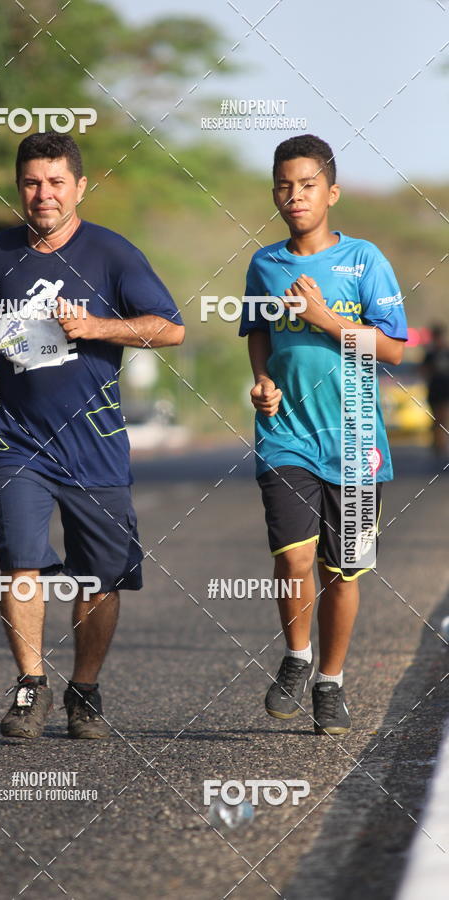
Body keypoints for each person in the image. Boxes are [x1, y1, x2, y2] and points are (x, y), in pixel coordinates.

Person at [0, 132, 184, 740]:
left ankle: (83, 690)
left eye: (56, 182)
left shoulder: (112, 254)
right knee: (20, 563)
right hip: (17, 440)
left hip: (93, 442)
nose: (44, 194)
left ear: (80, 187)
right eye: (33, 182)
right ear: (19, 187)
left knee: (98, 576)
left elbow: (170, 328)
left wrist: (97, 326)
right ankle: (30, 686)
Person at [239, 134, 407, 735]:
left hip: (358, 442)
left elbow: (389, 348)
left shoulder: (366, 261)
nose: (295, 196)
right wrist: (261, 379)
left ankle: (330, 682)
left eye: (307, 185)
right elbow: (258, 332)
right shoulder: (265, 264)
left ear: (330, 192)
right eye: (285, 186)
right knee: (295, 559)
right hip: (286, 435)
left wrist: (326, 319)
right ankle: (296, 656)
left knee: (343, 573)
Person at [421, 323, 449, 457]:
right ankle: (438, 444)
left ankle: (441, 443)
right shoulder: (431, 354)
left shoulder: (446, 352)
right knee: (436, 419)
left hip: (445, 391)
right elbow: (423, 370)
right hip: (434, 391)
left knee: (443, 417)